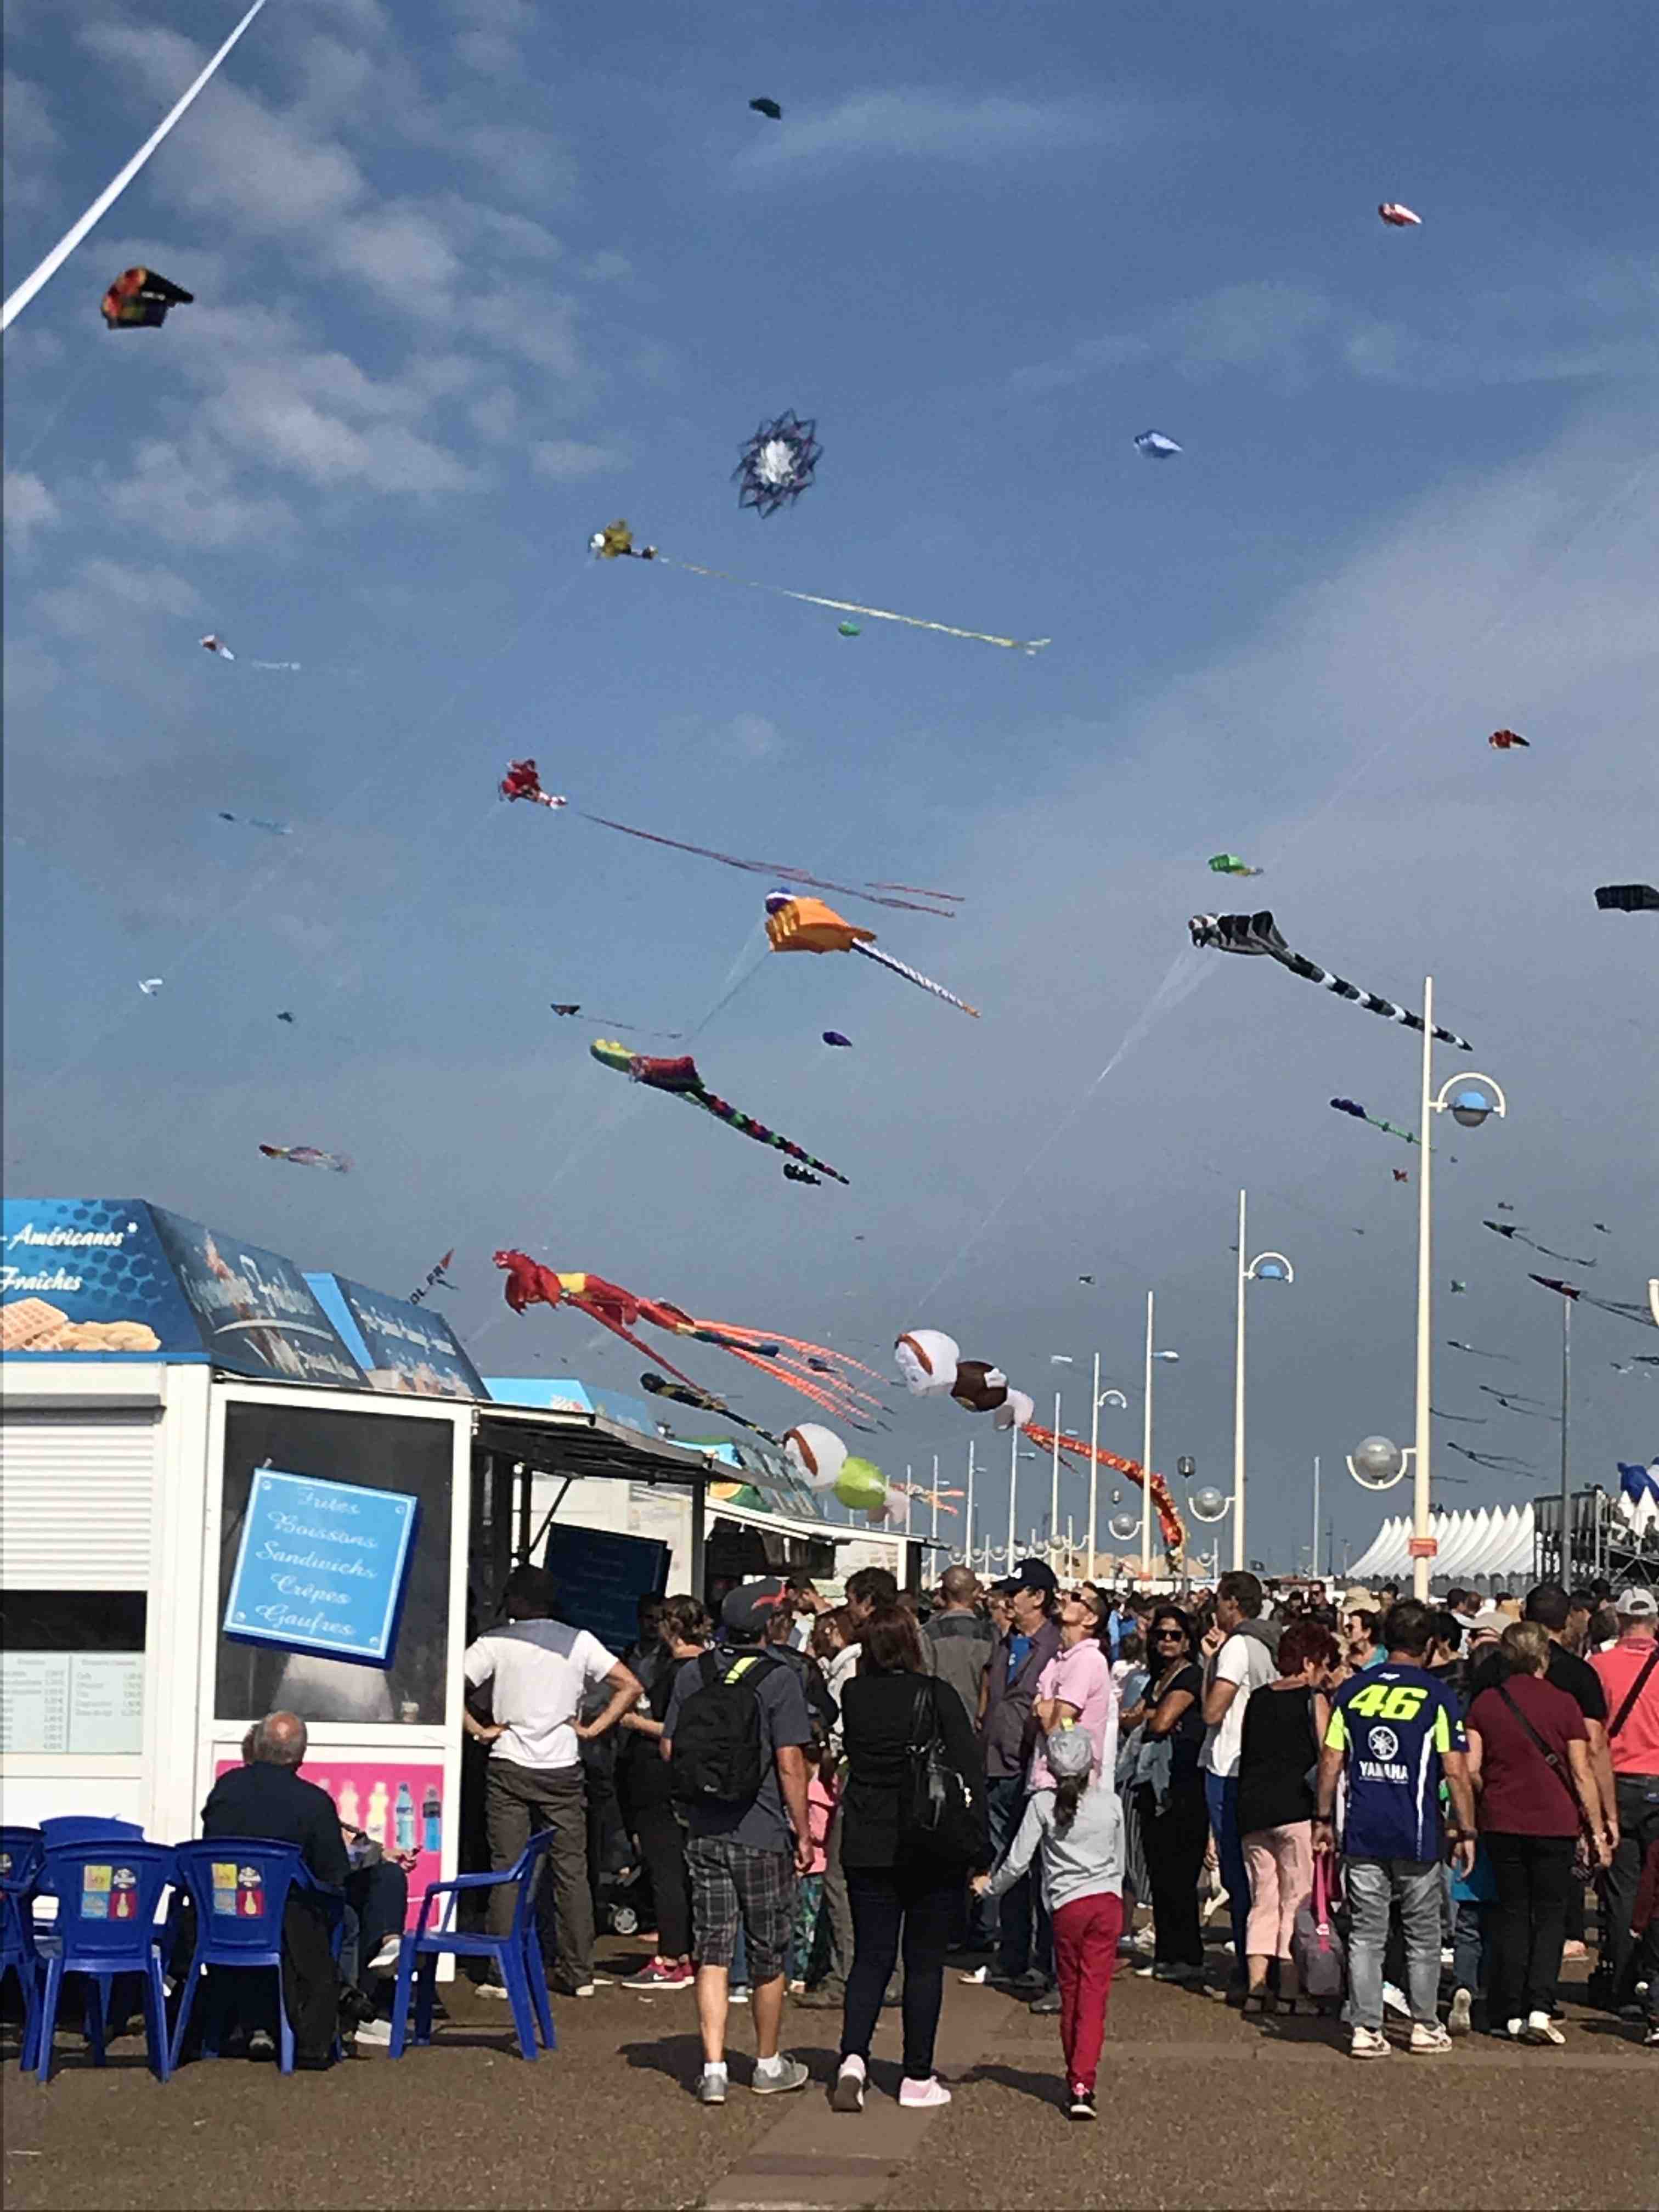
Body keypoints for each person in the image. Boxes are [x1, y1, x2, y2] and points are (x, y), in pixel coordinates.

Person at [661, 1578, 814, 2104]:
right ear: (770, 1624)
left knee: (713, 1947)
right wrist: (804, 1832)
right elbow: (790, 1763)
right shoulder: (780, 1677)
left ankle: (713, 2069)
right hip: (763, 1828)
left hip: (705, 1828)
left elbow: (669, 1748)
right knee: (768, 1948)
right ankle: (767, 2062)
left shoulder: (694, 1673)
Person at [831, 1605, 988, 2114]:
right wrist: (980, 1847)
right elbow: (968, 1769)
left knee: (871, 1958)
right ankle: (916, 2075)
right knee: (923, 1964)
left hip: (866, 1839)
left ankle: (853, 2059)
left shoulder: (855, 1695)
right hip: (927, 1841)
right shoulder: (937, 1695)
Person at [462, 1565, 641, 2000]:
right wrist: (594, 1729)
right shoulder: (579, 1640)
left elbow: (448, 1688)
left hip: (509, 1762)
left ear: (517, 1601)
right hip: (563, 1765)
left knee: (507, 1868)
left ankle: (501, 1974)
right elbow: (630, 1685)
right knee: (571, 1870)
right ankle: (578, 1972)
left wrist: (479, 1730)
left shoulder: (496, 1641)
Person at [1314, 1599, 1477, 2058]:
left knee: (1366, 1934)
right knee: (1423, 1934)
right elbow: (1456, 1769)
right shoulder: (1437, 1695)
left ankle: (1366, 2028)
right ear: (1430, 1644)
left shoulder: (1351, 1691)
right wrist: (1467, 1829)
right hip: (1417, 1829)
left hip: (1363, 1828)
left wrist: (1322, 1818)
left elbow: (1331, 1759)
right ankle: (1424, 2024)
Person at [1465, 1620, 1610, 2044]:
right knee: (1549, 1917)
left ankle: (1509, 2008)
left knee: (1511, 1912)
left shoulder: (1486, 1703)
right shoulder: (1564, 1704)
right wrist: (1598, 1827)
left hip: (1502, 1820)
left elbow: (1471, 1769)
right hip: (1555, 1821)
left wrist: (1490, 1792)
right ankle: (1539, 2007)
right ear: (1543, 1657)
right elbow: (1581, 1770)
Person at [976, 1726, 1121, 2120]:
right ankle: (1083, 2080)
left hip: (1068, 1906)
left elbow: (1017, 1862)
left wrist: (990, 1889)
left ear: (1051, 1769)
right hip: (1106, 1902)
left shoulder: (1042, 1805)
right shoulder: (1110, 1803)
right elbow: (1120, 1859)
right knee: (1094, 1997)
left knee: (1072, 1994)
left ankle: (1076, 2077)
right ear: (1091, 1765)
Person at [199, 1711, 349, 2068]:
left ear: (258, 1747)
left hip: (222, 1919)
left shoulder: (225, 1790)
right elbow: (333, 1874)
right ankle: (331, 2025)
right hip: (285, 1928)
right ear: (301, 1755)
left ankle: (256, 2024)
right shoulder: (313, 1802)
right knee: (344, 1920)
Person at [1237, 1621, 1338, 2015]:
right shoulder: (1313, 1700)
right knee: (1296, 1900)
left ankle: (1256, 1987)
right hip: (1296, 1809)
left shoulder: (1258, 1698)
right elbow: (1328, 1756)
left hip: (1253, 1809)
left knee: (1262, 1899)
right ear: (1310, 1661)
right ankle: (1290, 1992)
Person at [978, 1565, 1061, 1996]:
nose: (1008, 1600)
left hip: (1034, 1770)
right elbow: (991, 1691)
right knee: (1006, 1863)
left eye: (1017, 1593)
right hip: (996, 1765)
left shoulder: (1055, 1645)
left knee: (1042, 1866)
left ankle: (1044, 1960)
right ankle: (1011, 1954)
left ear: (1039, 1597)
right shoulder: (1005, 1641)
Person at [618, 1594, 708, 1991]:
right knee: (687, 1869)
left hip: (660, 1777)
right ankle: (687, 1950)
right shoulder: (712, 1666)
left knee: (666, 1869)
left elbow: (674, 1730)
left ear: (671, 1628)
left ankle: (672, 1957)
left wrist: (633, 1721)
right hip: (696, 1779)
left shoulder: (678, 1672)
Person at [1199, 1570, 1282, 1997]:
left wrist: (1210, 1663)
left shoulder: (1236, 1647)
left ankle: (1248, 1966)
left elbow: (1213, 1712)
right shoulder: (1269, 1643)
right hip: (1259, 1764)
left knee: (1237, 1871)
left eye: (1218, 1599)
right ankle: (1266, 1960)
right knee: (1264, 1873)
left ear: (1232, 1602)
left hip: (1229, 1765)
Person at [1523, 1583, 1615, 1963]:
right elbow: (1594, 1748)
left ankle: (1507, 1985)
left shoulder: (1495, 1670)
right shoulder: (1580, 1674)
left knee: (1511, 1906)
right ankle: (1543, 1988)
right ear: (1567, 1620)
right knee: (1556, 1899)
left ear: (1524, 1618)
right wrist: (1604, 1817)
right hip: (1561, 1799)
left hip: (1503, 1797)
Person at [1122, 1606, 1207, 1983]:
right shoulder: (1156, 1678)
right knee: (1159, 1871)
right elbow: (1130, 1716)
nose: (1167, 1641)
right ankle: (1167, 1954)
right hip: (1151, 1784)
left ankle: (1188, 1956)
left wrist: (1146, 1715)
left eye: (1175, 1635)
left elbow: (1159, 1722)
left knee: (1180, 1874)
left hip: (1183, 1784)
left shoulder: (1191, 1676)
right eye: (1161, 1634)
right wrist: (1145, 1715)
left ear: (1188, 1641)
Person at [1589, 1585, 1659, 2018]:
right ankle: (1654, 1977)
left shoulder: (1598, 1667)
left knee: (1621, 1888)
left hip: (1616, 1782)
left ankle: (1623, 1983)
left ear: (1618, 1620)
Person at [923, 1565, 994, 1727]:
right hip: (980, 1723)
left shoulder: (928, 1633)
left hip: (939, 1723)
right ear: (976, 1592)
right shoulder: (992, 1635)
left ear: (943, 1593)